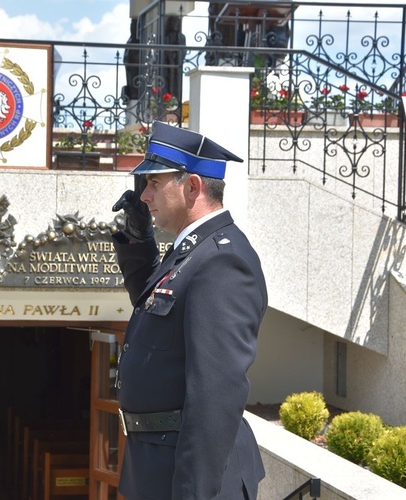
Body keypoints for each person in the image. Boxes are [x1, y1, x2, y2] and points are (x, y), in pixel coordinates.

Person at [112, 121, 267, 499]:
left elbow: (215, 395)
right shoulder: (193, 251)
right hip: (154, 462)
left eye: (153, 183)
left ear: (193, 186)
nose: (144, 196)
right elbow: (152, 300)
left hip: (185, 472)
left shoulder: (221, 261)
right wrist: (138, 237)